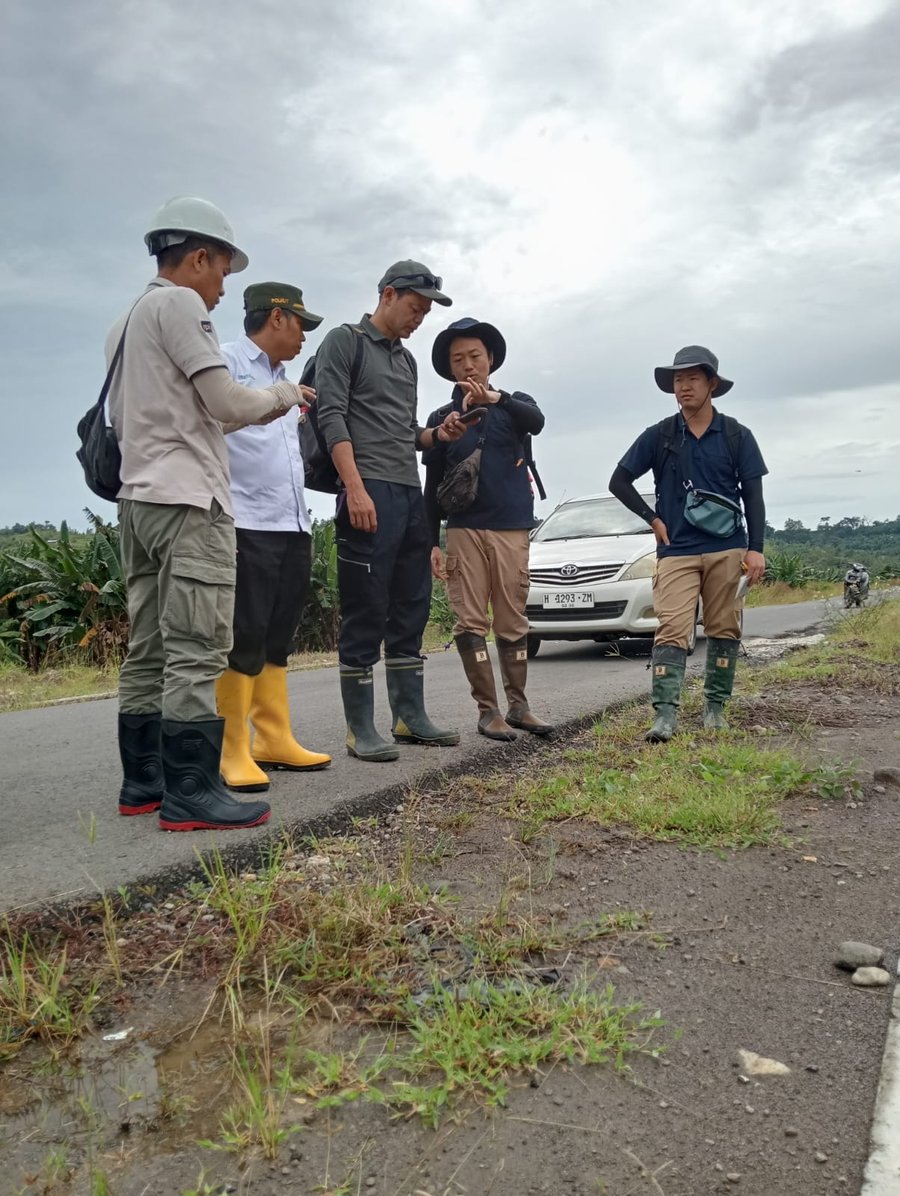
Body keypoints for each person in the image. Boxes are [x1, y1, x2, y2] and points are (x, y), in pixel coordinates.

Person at [109, 196, 307, 831]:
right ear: (197, 257)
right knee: (198, 646)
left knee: (148, 647)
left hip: (137, 502)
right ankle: (192, 793)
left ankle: (144, 781)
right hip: (189, 500)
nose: (224, 288)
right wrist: (282, 394)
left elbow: (132, 417)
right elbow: (226, 401)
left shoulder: (125, 321)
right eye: (223, 270)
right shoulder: (179, 304)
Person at [314, 260, 467, 762]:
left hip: (407, 492)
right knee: (366, 608)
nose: (418, 320)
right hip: (368, 488)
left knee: (411, 605)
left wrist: (435, 436)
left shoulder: (407, 362)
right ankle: (361, 728)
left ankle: (409, 717)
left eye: (424, 312)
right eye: (414, 308)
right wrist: (353, 487)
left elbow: (405, 433)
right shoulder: (345, 341)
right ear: (387, 294)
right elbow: (330, 415)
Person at [609, 346, 768, 741]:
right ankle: (665, 715)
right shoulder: (660, 435)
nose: (684, 387)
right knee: (672, 629)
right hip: (676, 549)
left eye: (692, 379)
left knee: (724, 627)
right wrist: (653, 519)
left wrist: (756, 548)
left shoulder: (736, 435)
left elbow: (754, 497)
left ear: (711, 384)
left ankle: (715, 709)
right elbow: (619, 481)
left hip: (728, 547)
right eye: (678, 380)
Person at [216, 282, 332, 792]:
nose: (305, 336)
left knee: (278, 634)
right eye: (302, 325)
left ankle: (274, 736)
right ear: (277, 317)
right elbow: (217, 422)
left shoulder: (289, 381)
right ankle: (232, 747)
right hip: (245, 519)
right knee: (244, 633)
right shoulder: (226, 363)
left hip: (292, 520)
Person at [423, 317, 552, 741]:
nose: (468, 365)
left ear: (491, 359)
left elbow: (536, 421)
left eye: (475, 356)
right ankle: (487, 710)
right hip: (463, 529)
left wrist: (495, 399)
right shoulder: (442, 418)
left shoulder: (513, 406)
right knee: (470, 621)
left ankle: (520, 706)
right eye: (458, 359)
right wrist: (431, 543)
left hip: (511, 526)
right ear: (450, 368)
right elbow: (432, 486)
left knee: (513, 619)